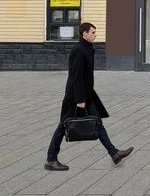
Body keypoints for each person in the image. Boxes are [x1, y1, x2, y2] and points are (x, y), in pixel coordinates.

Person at [45, 22, 133, 171]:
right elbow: (76, 77)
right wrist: (80, 100)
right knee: (63, 126)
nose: (95, 35)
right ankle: (51, 159)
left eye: (94, 32)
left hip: (86, 94)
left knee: (97, 123)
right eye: (92, 32)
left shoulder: (86, 48)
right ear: (84, 33)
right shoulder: (79, 50)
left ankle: (114, 153)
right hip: (75, 96)